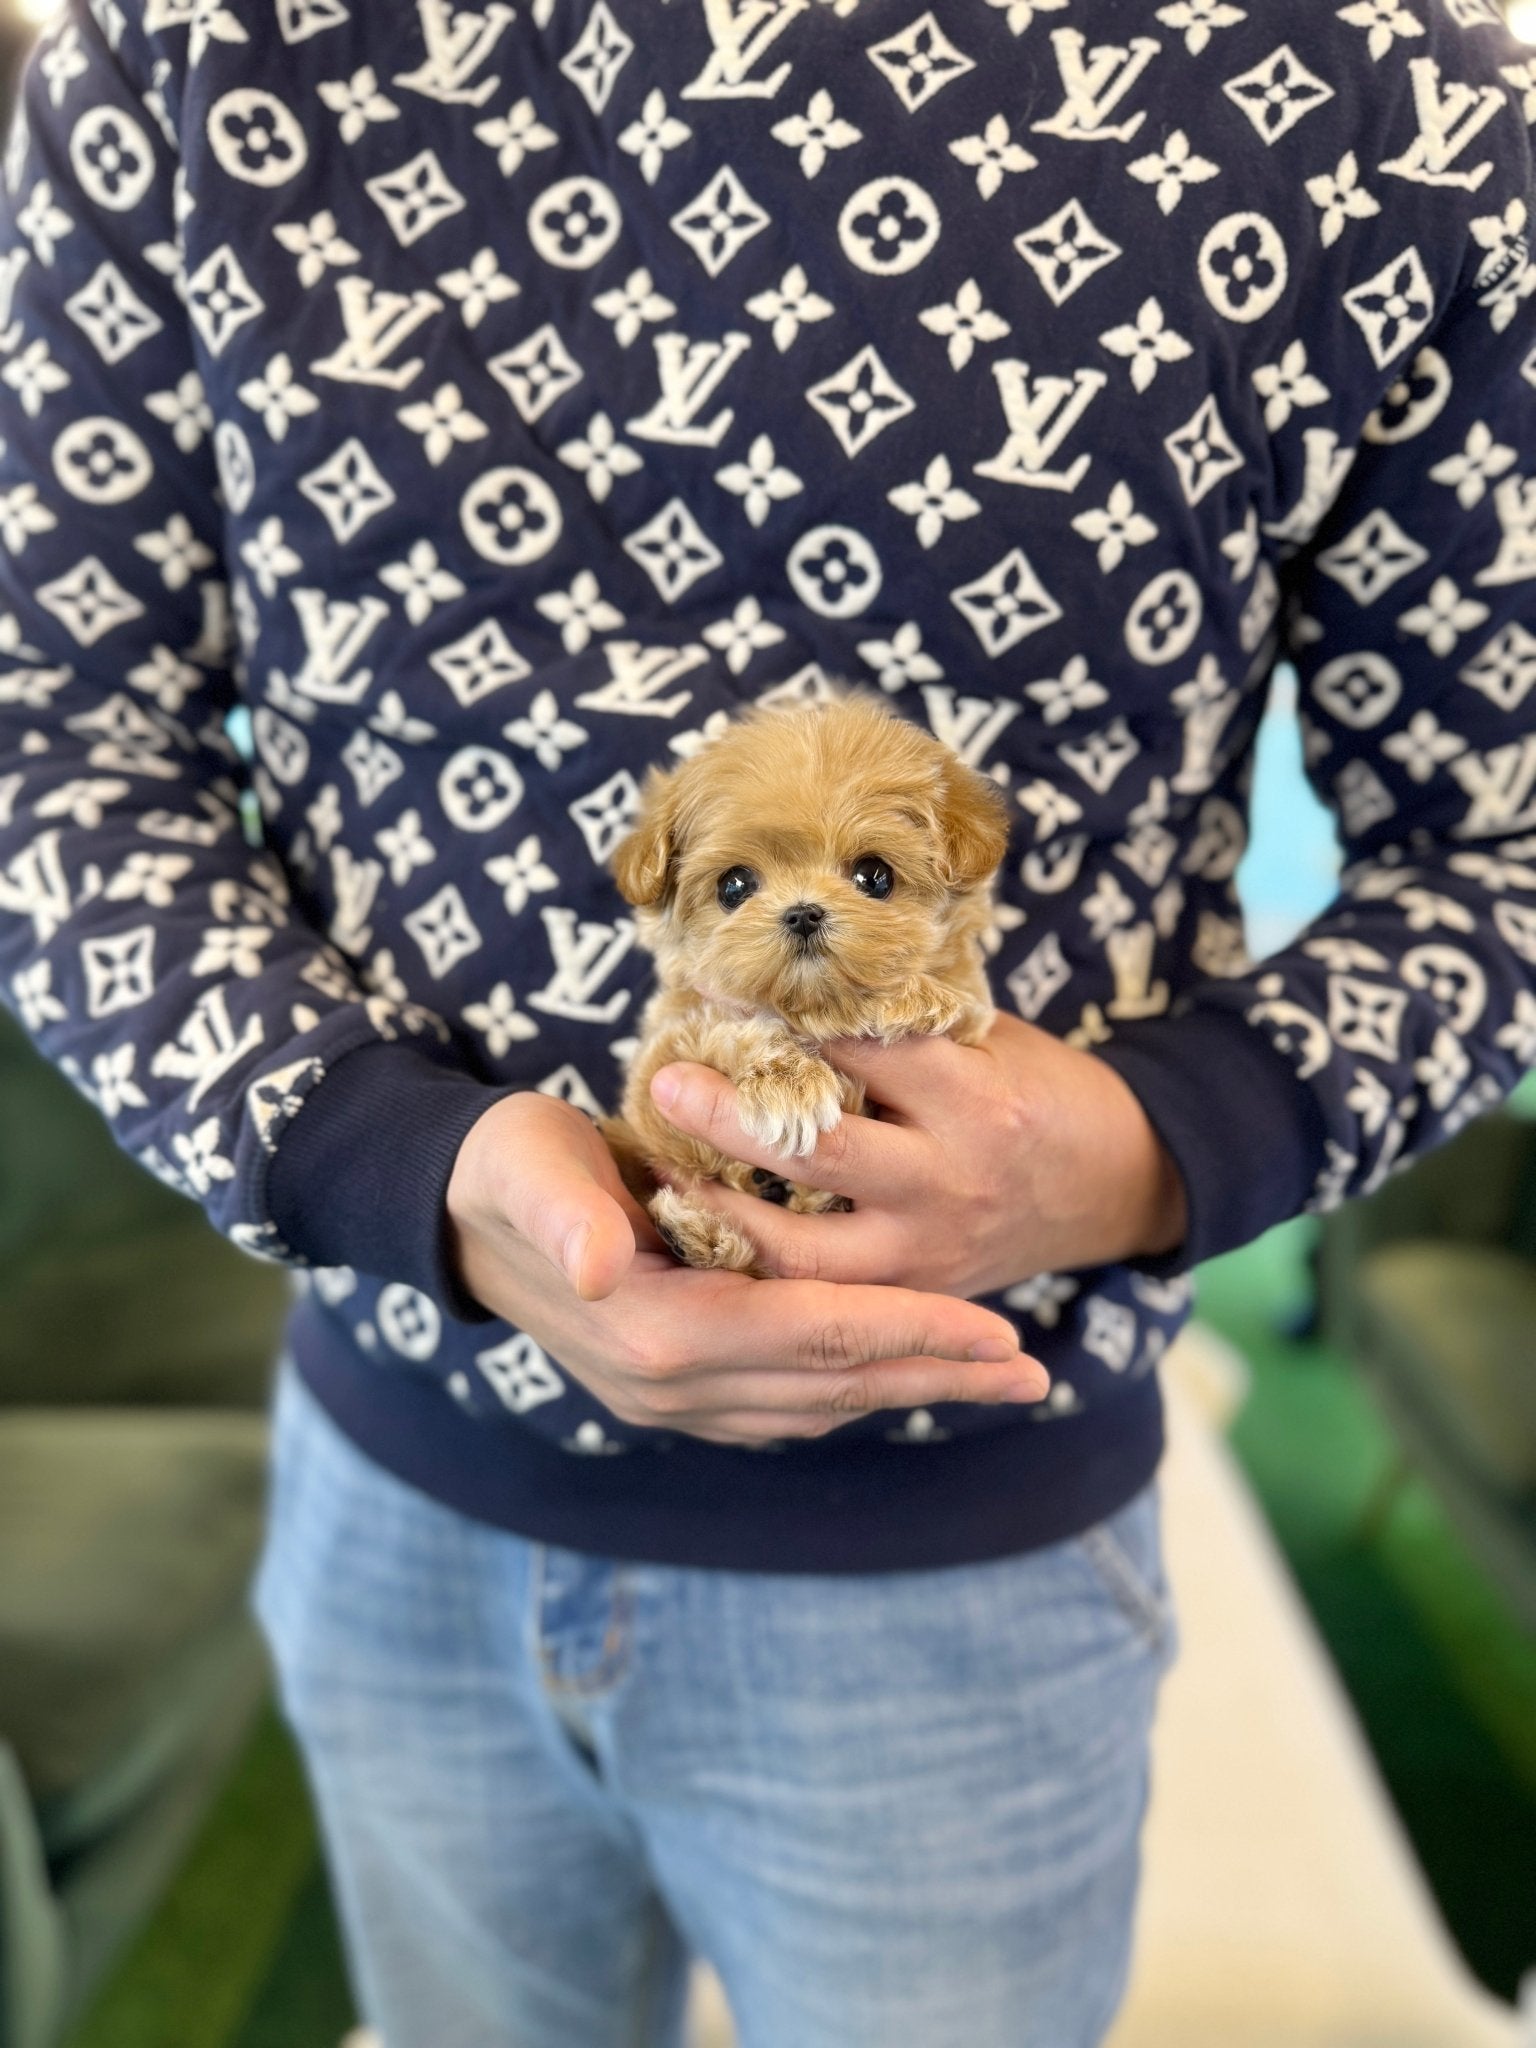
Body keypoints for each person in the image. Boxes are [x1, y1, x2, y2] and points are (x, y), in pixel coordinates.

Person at [1, 2, 1533, 2041]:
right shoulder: (191, 37)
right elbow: (53, 746)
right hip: (387, 1484)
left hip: (960, 1557)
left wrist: (1140, 1148)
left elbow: (1504, 837)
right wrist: (408, 1172)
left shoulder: (1392, 105)